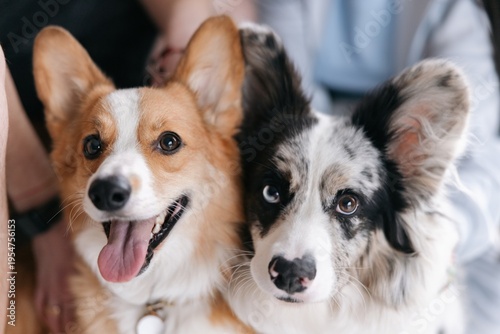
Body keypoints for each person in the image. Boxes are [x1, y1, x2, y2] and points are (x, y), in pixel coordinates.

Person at [0, 1, 254, 333]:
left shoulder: (262, 305)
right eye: (94, 146)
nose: (110, 179)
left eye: (167, 143)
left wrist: (183, 41)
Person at [256, 0, 500, 333]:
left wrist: (447, 232)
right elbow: (292, 109)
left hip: (404, 142)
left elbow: (482, 161)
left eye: (346, 203)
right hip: (320, 136)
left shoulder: (454, 9)